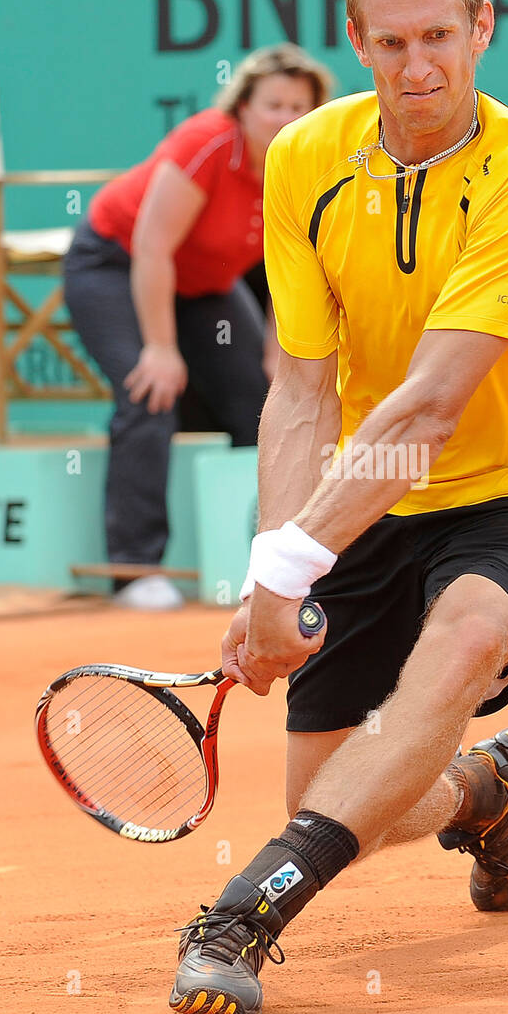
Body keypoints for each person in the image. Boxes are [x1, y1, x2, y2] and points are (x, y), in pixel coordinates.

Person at [168, 0, 508, 1014]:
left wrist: (283, 574)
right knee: (331, 788)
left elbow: (425, 406)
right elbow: (303, 387)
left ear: (481, 27)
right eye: (390, 40)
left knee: (467, 635)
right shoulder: (305, 159)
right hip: (366, 497)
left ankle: (245, 911)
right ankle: (491, 782)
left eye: (437, 36)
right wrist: (277, 569)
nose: (416, 66)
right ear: (355, 40)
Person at [63, 45, 333, 609]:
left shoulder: (307, 162)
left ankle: (273, 565)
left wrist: (277, 351)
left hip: (206, 286)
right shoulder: (206, 143)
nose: (285, 117)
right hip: (117, 265)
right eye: (272, 104)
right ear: (241, 108)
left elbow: (296, 267)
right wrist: (160, 347)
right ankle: (135, 571)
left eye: (298, 106)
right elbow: (153, 247)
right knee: (150, 393)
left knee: (263, 401)